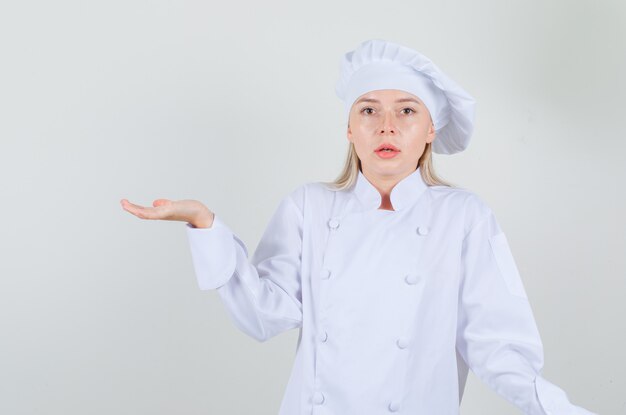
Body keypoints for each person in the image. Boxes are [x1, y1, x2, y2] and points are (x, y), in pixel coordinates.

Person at [120, 39, 597, 414]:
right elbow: (264, 316)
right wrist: (204, 224)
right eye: (368, 110)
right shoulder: (309, 206)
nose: (386, 126)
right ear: (350, 128)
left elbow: (497, 349)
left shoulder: (464, 217)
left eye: (407, 110)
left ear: (431, 129)